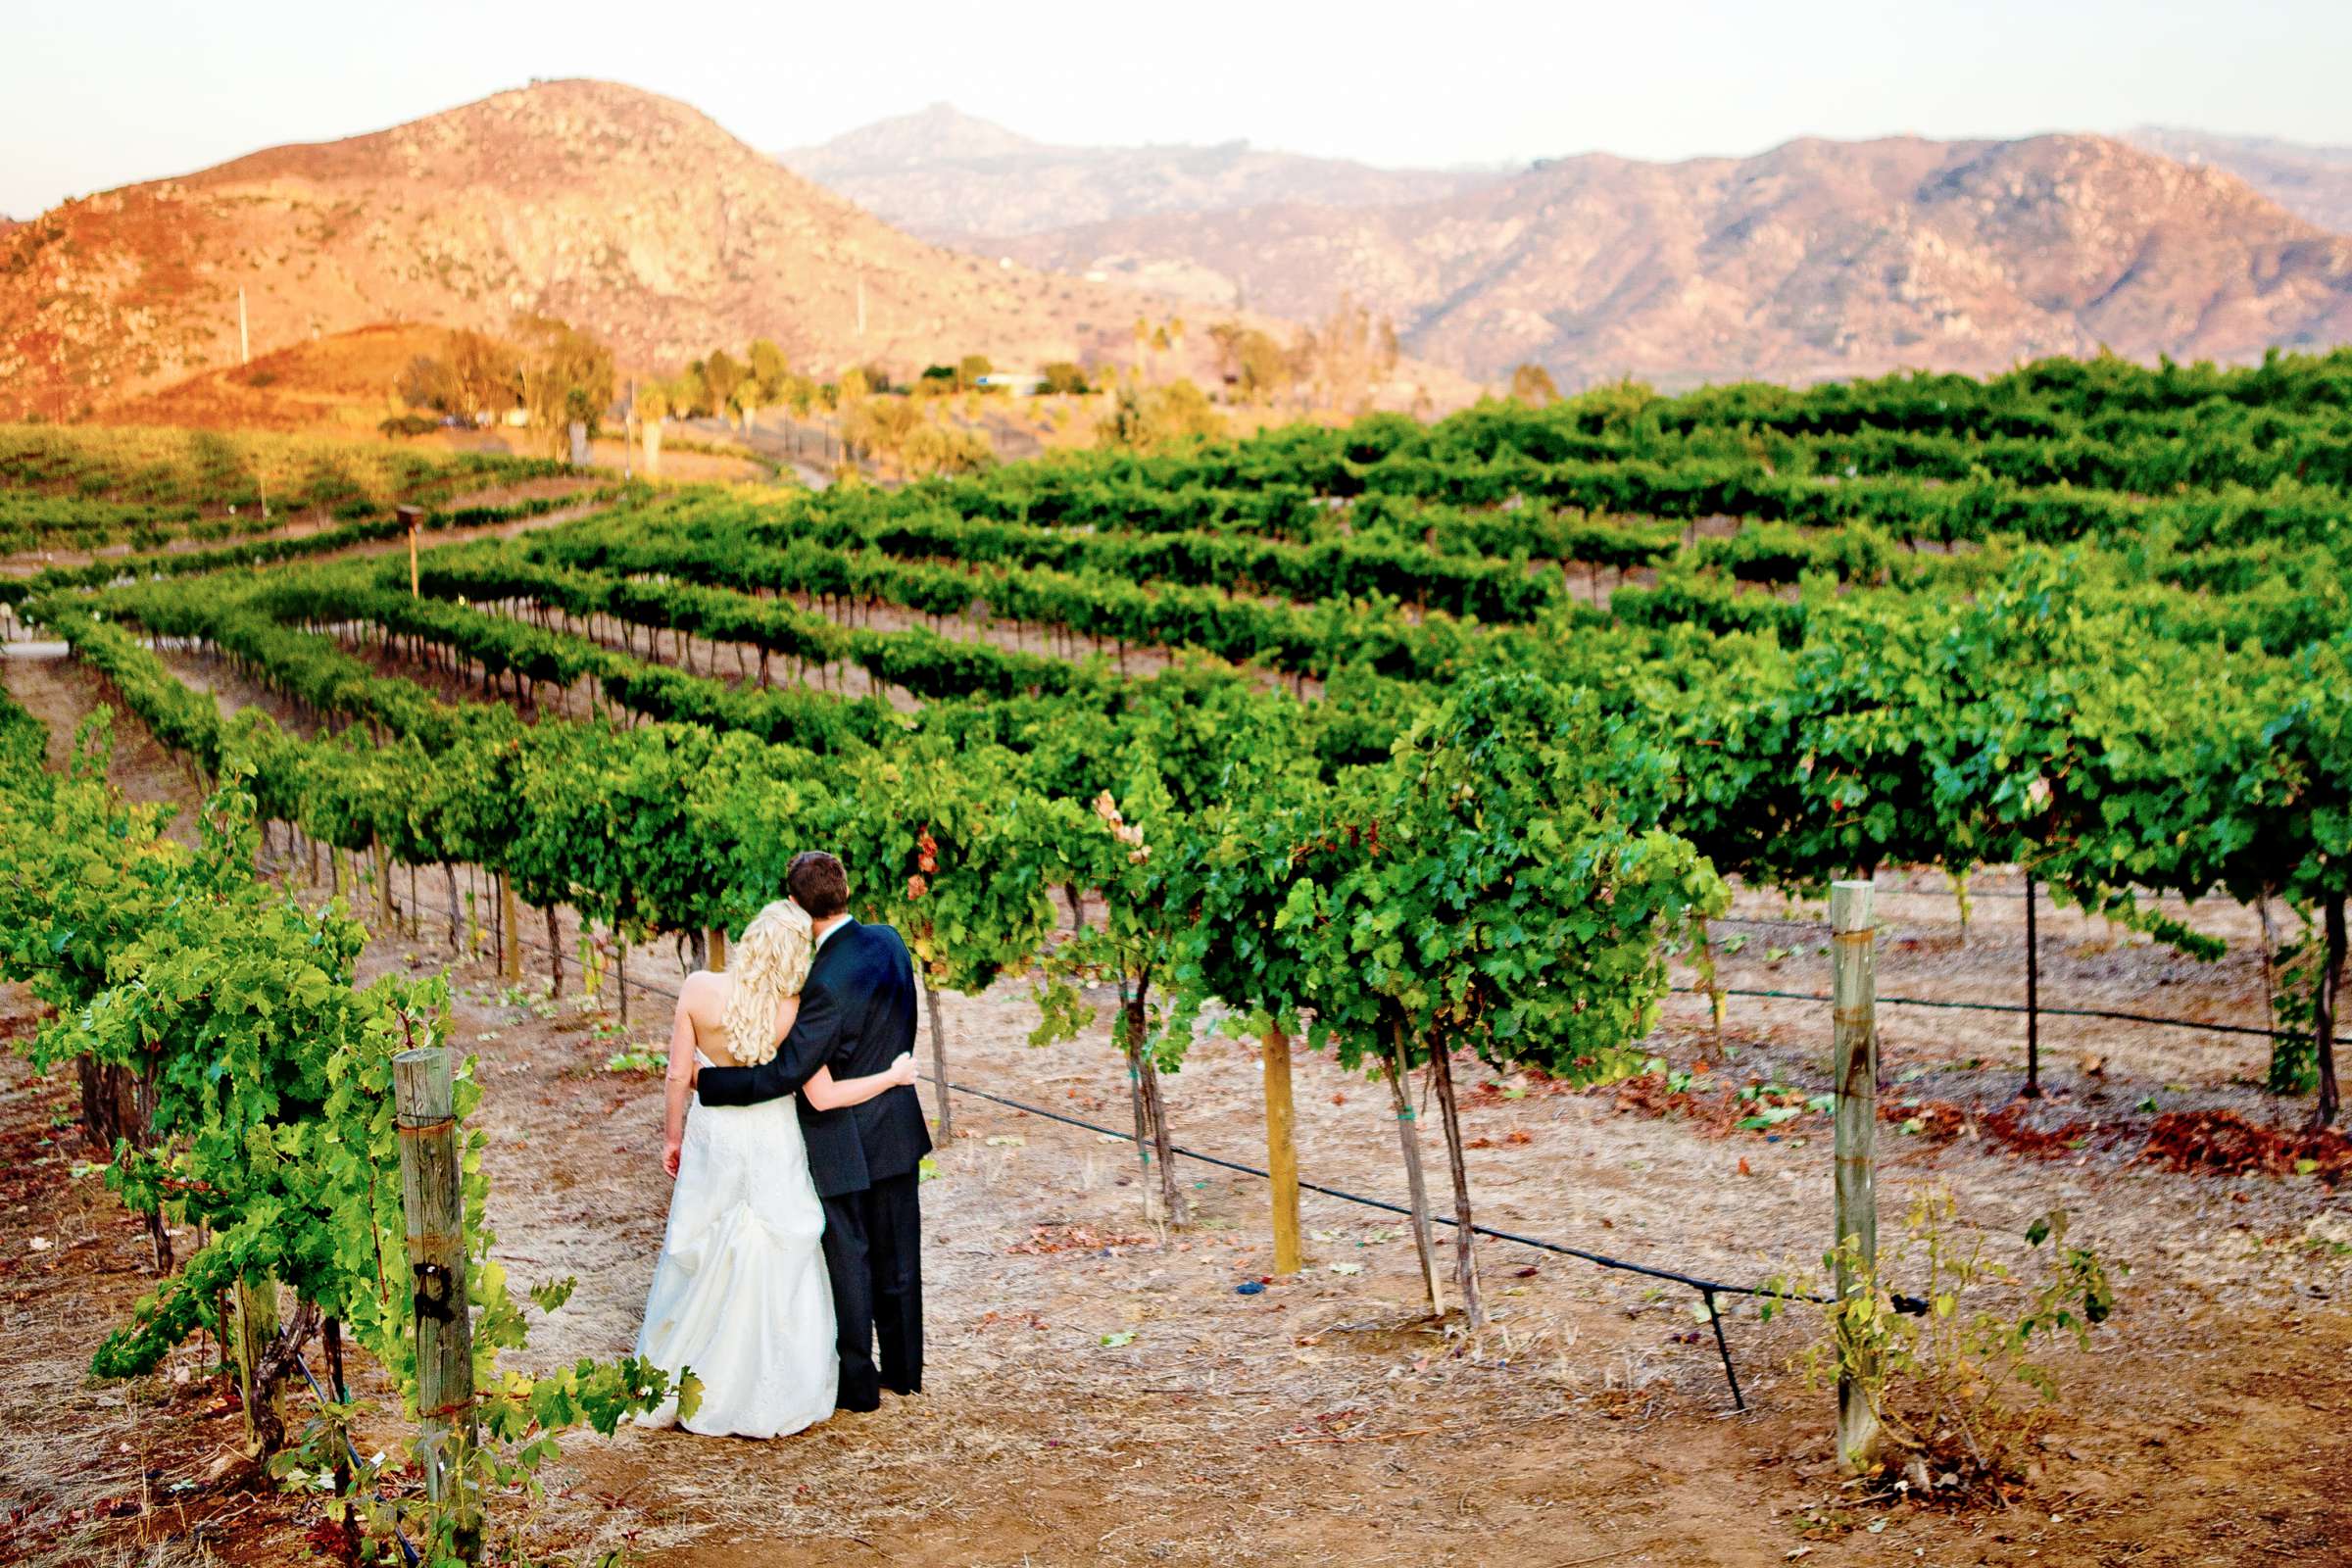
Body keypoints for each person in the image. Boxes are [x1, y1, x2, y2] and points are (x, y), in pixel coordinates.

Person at [632, 894, 917, 1439]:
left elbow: (676, 1075)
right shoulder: (793, 1010)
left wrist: (672, 1137)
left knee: (705, 1239)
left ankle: (687, 1369)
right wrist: (891, 1077)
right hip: (771, 1138)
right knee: (778, 1246)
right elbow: (825, 1095)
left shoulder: (698, 990)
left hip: (714, 1137)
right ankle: (775, 1381)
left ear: (750, 937)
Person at [694, 850, 932, 1413]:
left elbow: (785, 1073)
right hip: (896, 1124)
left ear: (798, 906)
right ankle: (905, 1373)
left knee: (849, 1259)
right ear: (845, 890)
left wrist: (711, 1084)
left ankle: (858, 1386)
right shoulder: (892, 942)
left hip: (840, 1134)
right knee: (900, 1258)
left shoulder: (820, 983)